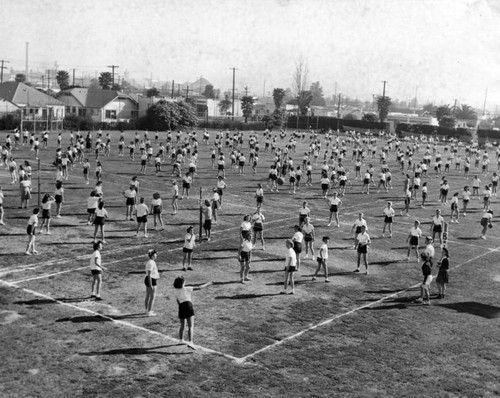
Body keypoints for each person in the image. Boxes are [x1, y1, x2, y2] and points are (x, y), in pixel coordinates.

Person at [173, 276, 211, 348]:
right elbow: (199, 287)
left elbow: (178, 302)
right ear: (183, 283)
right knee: (190, 325)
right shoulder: (187, 288)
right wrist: (207, 284)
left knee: (182, 325)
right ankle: (190, 342)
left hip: (181, 306)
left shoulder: (176, 291)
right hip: (188, 305)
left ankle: (181, 340)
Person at [144, 249, 159, 316]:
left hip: (149, 279)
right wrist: (150, 285)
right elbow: (149, 274)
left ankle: (146, 310)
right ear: (152, 255)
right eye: (155, 254)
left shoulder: (150, 262)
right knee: (152, 297)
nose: (156, 255)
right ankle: (149, 311)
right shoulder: (151, 263)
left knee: (148, 295)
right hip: (151, 280)